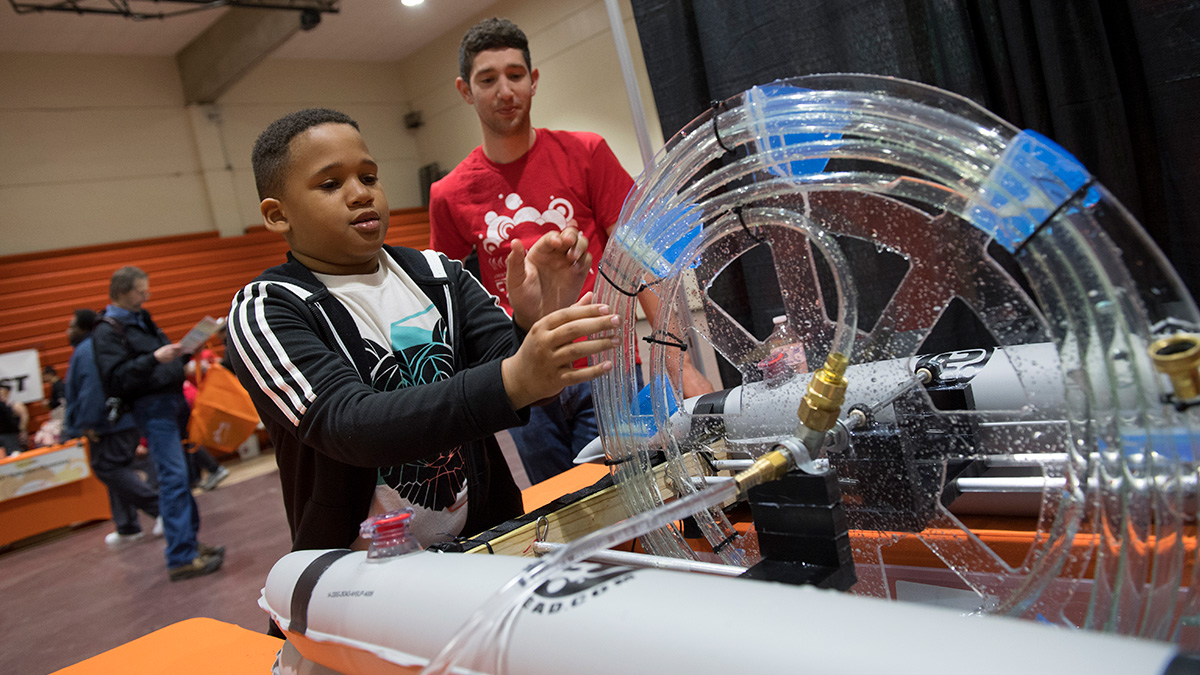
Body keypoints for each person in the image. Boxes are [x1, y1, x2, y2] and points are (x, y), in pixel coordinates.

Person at [226, 108, 615, 566]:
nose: (360, 194)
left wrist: (533, 323)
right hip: (362, 583)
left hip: (487, 545)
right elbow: (351, 427)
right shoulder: (269, 307)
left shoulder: (438, 274)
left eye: (368, 177)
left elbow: (517, 381)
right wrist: (516, 376)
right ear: (277, 215)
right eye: (331, 184)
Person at [429, 17, 714, 485]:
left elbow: (641, 260)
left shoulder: (586, 153)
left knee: (633, 491)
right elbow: (456, 307)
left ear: (534, 80)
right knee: (559, 506)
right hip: (524, 375)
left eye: (515, 75)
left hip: (606, 362)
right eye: (488, 79)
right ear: (465, 90)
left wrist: (675, 362)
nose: (505, 90)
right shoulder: (450, 194)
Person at [91, 267, 225, 581]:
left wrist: (185, 351)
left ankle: (190, 544)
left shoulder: (141, 318)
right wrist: (155, 359)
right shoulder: (107, 330)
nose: (146, 295)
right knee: (174, 478)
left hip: (173, 403)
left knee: (185, 476)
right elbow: (115, 378)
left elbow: (162, 359)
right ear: (122, 291)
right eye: (141, 290)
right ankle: (181, 556)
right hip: (153, 409)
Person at [64, 308, 163, 548]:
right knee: (118, 469)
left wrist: (86, 422)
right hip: (115, 421)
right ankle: (127, 526)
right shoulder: (89, 347)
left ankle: (161, 509)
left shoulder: (88, 350)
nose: (67, 331)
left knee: (108, 468)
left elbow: (92, 388)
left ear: (84, 327)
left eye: (71, 325)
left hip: (108, 423)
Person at [0, 383, 28, 457]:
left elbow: (24, 416)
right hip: (6, 433)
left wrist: (22, 429)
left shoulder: (15, 405)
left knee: (14, 453)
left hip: (11, 433)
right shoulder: (3, 405)